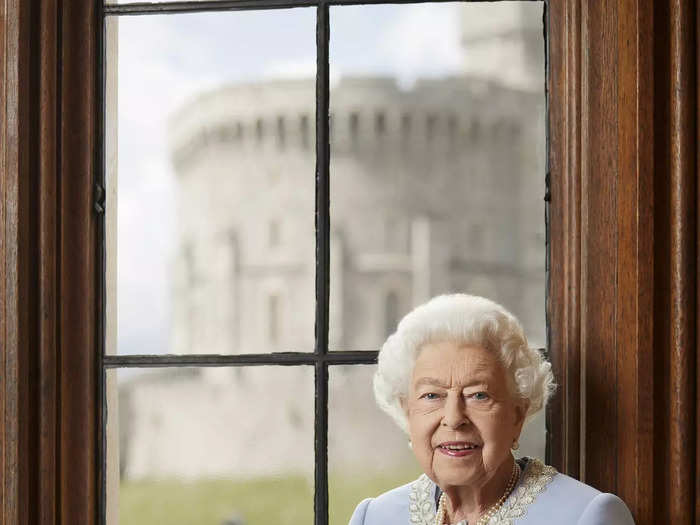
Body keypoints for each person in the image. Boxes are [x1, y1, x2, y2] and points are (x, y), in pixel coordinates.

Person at [349, 294, 635, 525]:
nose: (453, 418)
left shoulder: (588, 516)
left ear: (517, 415)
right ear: (407, 412)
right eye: (431, 395)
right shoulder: (374, 517)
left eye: (478, 395)